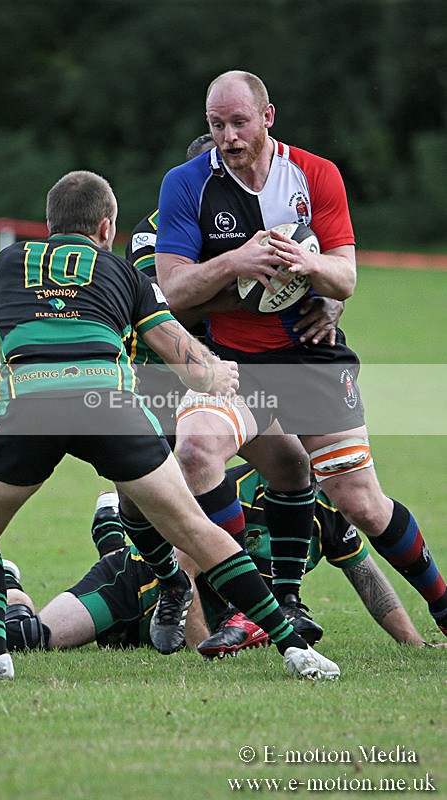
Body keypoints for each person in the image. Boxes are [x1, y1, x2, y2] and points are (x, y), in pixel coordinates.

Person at [0, 168, 340, 683]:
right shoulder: (125, 274)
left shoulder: (2, 264)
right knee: (195, 529)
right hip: (108, 405)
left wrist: (3, 365)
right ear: (107, 229)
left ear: (48, 224)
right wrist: (219, 372)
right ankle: (295, 650)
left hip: (29, 408)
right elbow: (190, 366)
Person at [154, 69, 447, 640]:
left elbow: (346, 278)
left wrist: (309, 266)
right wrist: (236, 262)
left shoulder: (316, 175)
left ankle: (441, 601)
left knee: (359, 501)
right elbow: (174, 289)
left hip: (311, 359)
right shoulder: (186, 183)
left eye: (239, 123)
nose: (229, 137)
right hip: (231, 364)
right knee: (195, 449)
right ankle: (256, 605)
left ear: (267, 117)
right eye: (217, 126)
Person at [125, 132, 344, 645]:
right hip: (163, 378)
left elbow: (316, 268)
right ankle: (175, 590)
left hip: (238, 370)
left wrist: (326, 300)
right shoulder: (152, 233)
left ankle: (267, 604)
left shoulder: (264, 221)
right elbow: (164, 306)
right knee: (141, 501)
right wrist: (240, 292)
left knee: (295, 466)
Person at [0, 474, 436, 655]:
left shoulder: (327, 504)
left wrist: (414, 644)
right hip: (140, 586)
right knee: (26, 639)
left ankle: (110, 521)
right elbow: (187, 574)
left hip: (160, 628)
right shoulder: (233, 493)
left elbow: (367, 576)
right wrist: (199, 648)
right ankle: (4, 580)